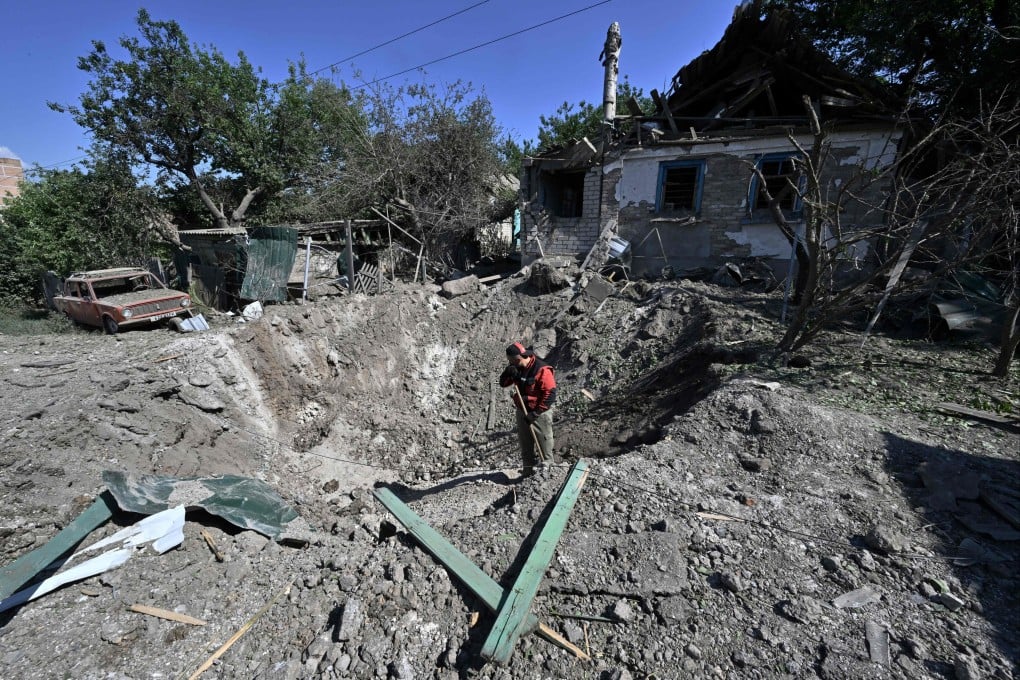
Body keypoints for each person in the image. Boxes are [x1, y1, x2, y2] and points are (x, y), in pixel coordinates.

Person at [499, 342, 557, 476]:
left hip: (539, 411)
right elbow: (503, 383)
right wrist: (507, 373)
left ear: (518, 358)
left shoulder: (541, 369)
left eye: (511, 361)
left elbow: (550, 394)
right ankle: (527, 472)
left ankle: (547, 471)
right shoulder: (516, 367)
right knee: (525, 443)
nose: (510, 364)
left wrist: (536, 413)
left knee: (544, 441)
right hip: (522, 410)